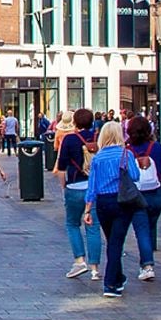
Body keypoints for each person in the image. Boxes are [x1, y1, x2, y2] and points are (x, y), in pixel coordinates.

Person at [83, 122, 141, 297]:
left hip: (103, 202)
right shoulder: (126, 154)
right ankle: (110, 283)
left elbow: (91, 186)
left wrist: (87, 210)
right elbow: (136, 175)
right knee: (116, 241)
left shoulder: (98, 158)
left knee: (112, 240)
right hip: (122, 200)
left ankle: (118, 277)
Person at [55, 108, 102, 281]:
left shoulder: (69, 139)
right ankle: (95, 268)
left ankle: (79, 260)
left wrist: (64, 187)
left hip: (74, 185)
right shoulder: (98, 138)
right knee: (93, 227)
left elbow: (61, 167)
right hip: (95, 187)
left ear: (74, 122)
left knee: (72, 224)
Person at [125, 115, 161, 282]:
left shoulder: (128, 151)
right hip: (156, 194)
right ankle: (147, 257)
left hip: (137, 194)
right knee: (151, 225)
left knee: (142, 230)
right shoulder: (157, 148)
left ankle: (147, 264)